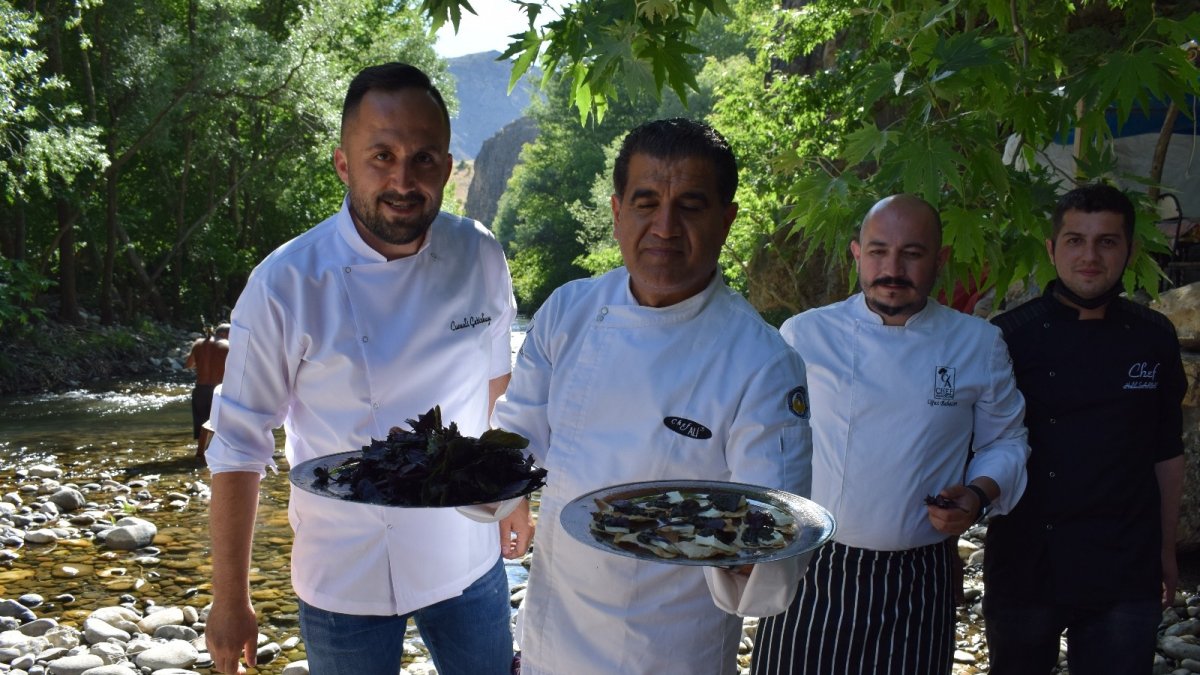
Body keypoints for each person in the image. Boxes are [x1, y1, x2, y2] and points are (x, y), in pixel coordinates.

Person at [202, 62, 523, 675]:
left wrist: (513, 499)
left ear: (448, 168)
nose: (403, 179)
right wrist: (231, 598)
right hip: (341, 570)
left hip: (465, 554)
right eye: (381, 156)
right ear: (343, 164)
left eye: (424, 158)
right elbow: (239, 446)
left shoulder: (479, 253)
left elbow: (496, 384)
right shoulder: (285, 283)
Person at [491, 118, 815, 675]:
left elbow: (775, 523)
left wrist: (751, 564)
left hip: (669, 647)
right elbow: (518, 434)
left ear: (726, 220)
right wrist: (479, 480)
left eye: (690, 205)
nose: (665, 226)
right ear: (617, 213)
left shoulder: (762, 362)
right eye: (646, 202)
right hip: (554, 633)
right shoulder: (568, 312)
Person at [751, 194, 1030, 675]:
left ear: (939, 260)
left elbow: (1005, 441)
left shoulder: (976, 343)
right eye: (878, 251)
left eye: (912, 254)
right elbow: (760, 439)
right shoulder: (804, 335)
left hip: (920, 575)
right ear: (857, 253)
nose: (892, 268)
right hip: (815, 565)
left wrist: (978, 494)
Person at [983, 183, 1187, 675]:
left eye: (1107, 241)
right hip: (1025, 563)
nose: (1090, 256)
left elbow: (1166, 452)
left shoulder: (1154, 336)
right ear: (1052, 249)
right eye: (1075, 240)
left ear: (1130, 250)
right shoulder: (1007, 337)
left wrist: (1166, 550)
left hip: (1125, 566)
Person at [185, 322, 230, 459]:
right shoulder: (228, 346)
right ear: (224, 334)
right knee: (218, 424)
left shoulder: (198, 343)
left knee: (203, 425)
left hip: (200, 390)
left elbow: (188, 365)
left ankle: (200, 455)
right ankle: (216, 456)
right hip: (217, 390)